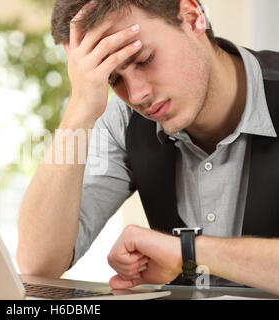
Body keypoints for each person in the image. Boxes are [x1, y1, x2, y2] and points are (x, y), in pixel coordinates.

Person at [16, 0, 279, 295]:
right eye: (113, 79)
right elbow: (37, 264)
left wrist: (189, 253)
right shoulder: (122, 122)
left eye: (144, 59)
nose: (137, 95)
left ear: (192, 18)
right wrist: (78, 110)